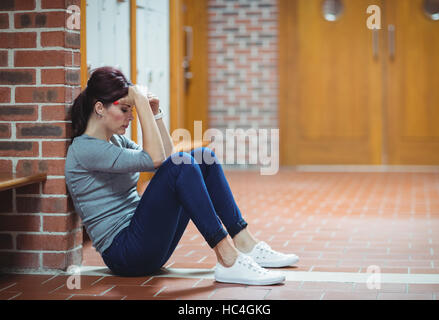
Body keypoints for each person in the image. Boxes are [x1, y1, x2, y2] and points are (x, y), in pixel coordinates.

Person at [65, 66, 299, 285]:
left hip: (144, 241)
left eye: (131, 110)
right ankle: (228, 258)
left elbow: (165, 160)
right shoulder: (85, 149)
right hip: (125, 253)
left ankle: (244, 242)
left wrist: (156, 114)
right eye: (125, 109)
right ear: (99, 108)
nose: (131, 117)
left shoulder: (115, 140)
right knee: (183, 165)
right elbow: (156, 160)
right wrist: (139, 102)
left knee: (202, 157)